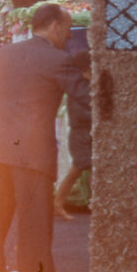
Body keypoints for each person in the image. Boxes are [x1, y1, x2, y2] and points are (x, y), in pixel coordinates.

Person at [0, 3, 92, 272]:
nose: (68, 36)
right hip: (32, 156)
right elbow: (88, 97)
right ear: (53, 26)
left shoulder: (2, 55)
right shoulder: (58, 59)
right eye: (67, 29)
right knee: (34, 232)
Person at [54, 49, 92, 220]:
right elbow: (79, 115)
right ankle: (58, 202)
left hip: (86, 134)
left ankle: (59, 202)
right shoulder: (78, 88)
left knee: (79, 169)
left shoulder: (84, 86)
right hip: (80, 135)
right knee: (77, 169)